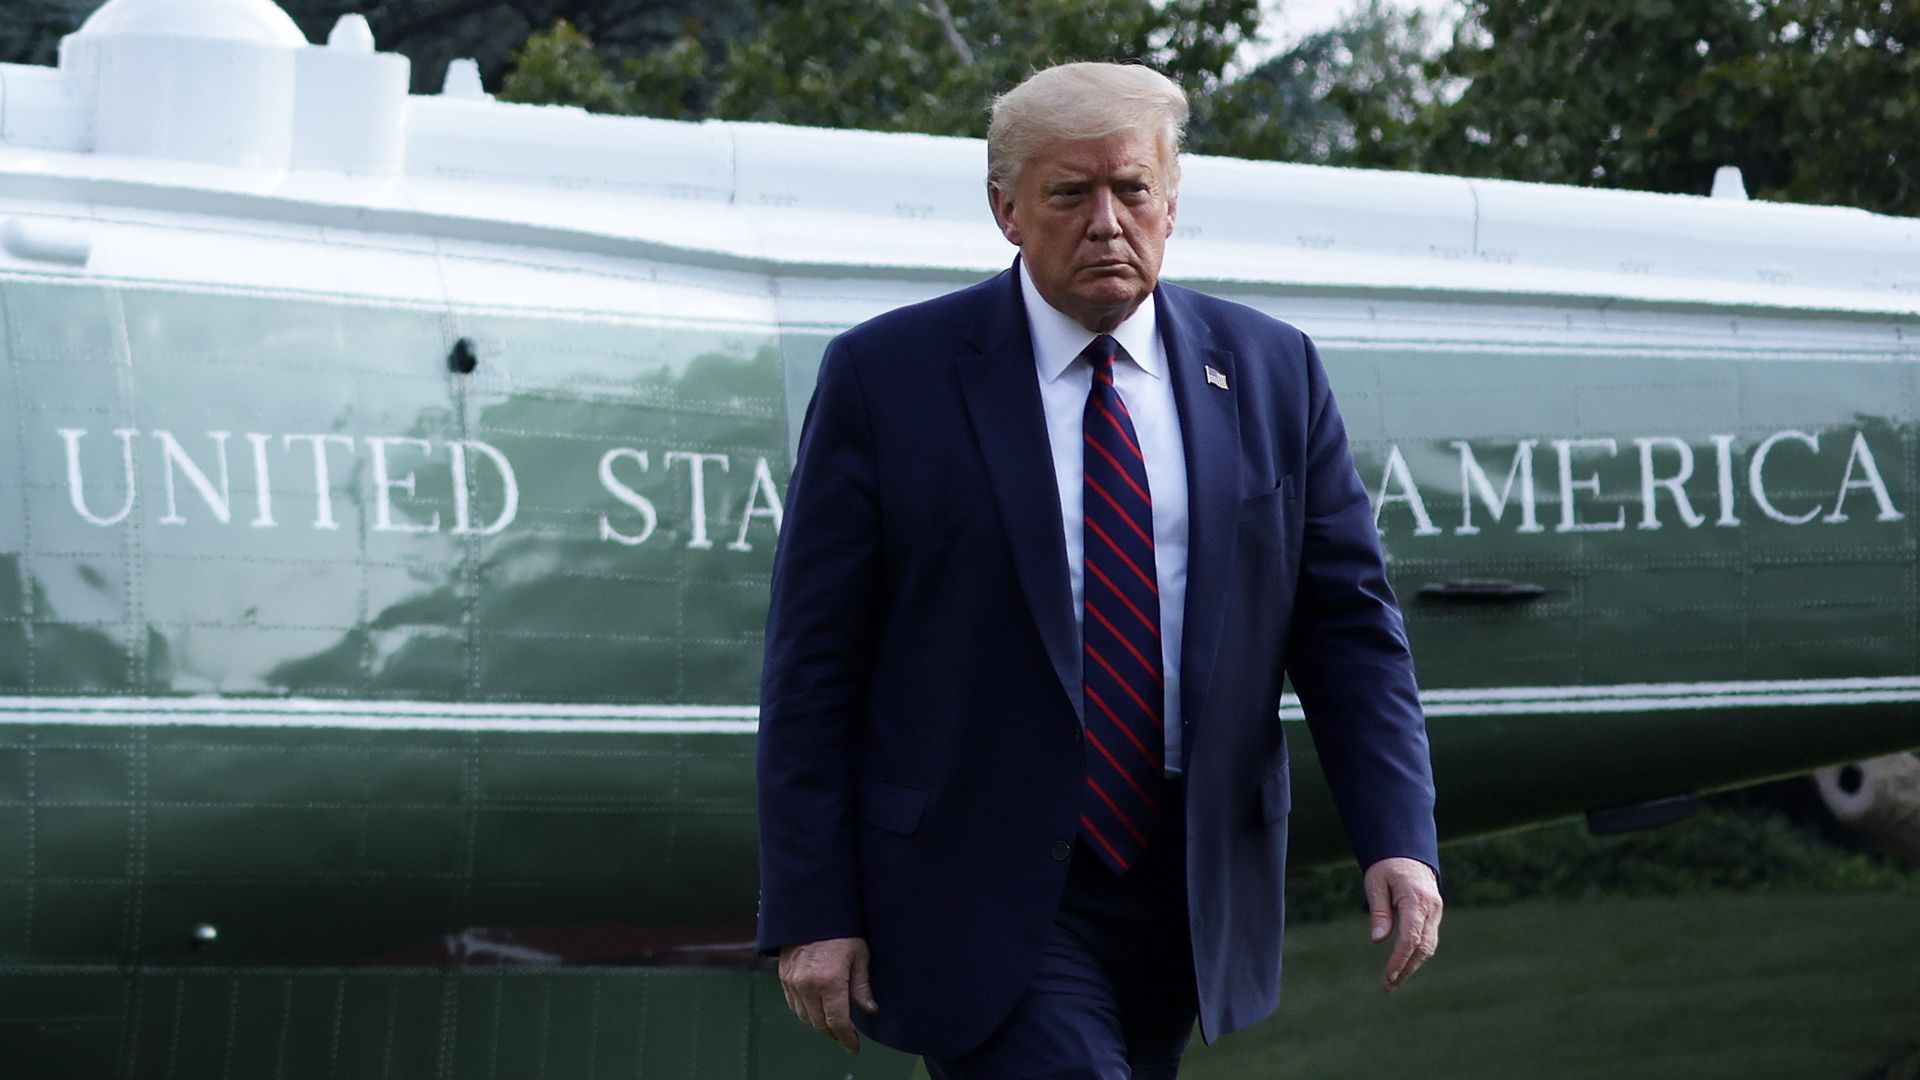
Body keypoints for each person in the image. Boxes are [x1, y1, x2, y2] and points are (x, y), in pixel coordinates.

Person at [755, 60, 1441, 1078]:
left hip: (1189, 874)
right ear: (1007, 212)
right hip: (976, 878)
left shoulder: (1272, 372)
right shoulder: (886, 379)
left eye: (1132, 190)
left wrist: (1400, 836)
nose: (1108, 222)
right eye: (1071, 195)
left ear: (1172, 201)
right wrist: (813, 907)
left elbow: (1348, 631)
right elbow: (814, 666)